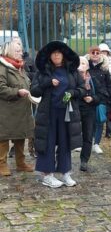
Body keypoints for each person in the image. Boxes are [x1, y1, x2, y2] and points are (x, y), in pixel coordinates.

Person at [30, 41, 84, 188]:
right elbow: (34, 90)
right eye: (53, 53)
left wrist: (73, 92)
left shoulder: (72, 71)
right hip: (48, 113)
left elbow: (83, 89)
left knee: (65, 142)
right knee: (47, 142)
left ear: (64, 55)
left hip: (67, 112)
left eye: (59, 53)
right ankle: (47, 175)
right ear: (49, 56)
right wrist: (47, 82)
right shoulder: (43, 72)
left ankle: (65, 173)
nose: (56, 55)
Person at [0, 37, 34, 176]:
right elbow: (1, 88)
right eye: (17, 50)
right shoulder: (2, 67)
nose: (21, 53)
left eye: (21, 50)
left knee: (21, 136)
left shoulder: (19, 66)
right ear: (9, 51)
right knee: (4, 137)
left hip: (22, 109)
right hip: (7, 110)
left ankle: (21, 163)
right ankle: (2, 164)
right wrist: (17, 92)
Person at [88, 46, 111, 154]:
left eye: (97, 52)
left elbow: (109, 85)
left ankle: (96, 144)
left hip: (102, 99)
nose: (95, 54)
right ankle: (88, 142)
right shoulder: (85, 67)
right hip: (89, 98)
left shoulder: (104, 69)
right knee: (89, 122)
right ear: (89, 54)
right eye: (93, 52)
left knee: (100, 121)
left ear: (100, 54)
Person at [77, 56, 101, 172]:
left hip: (89, 111)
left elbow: (100, 96)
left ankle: (84, 161)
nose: (81, 65)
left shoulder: (92, 79)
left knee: (88, 135)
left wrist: (92, 99)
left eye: (83, 63)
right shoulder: (73, 78)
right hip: (76, 110)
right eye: (79, 63)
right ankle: (61, 159)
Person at [99, 42, 111, 138]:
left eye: (105, 52)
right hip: (100, 88)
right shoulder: (96, 61)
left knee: (109, 109)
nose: (103, 53)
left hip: (110, 86)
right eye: (102, 51)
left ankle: (108, 130)